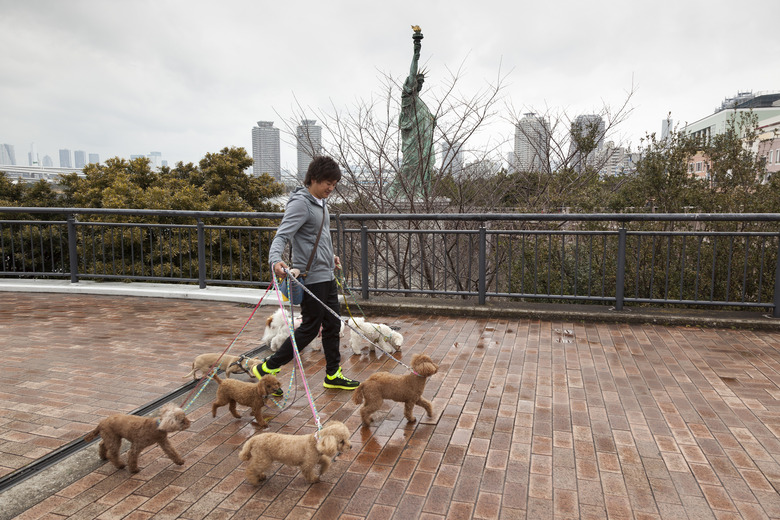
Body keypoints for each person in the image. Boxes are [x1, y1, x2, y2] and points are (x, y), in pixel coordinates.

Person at [253, 156, 359, 391]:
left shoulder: (321, 202)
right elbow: (283, 235)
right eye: (327, 183)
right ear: (313, 179)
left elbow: (319, 237)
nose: (331, 188)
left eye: (334, 184)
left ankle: (333, 374)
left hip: (327, 273)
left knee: (332, 324)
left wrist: (330, 256)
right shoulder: (300, 203)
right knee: (310, 327)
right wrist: (275, 260)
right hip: (311, 277)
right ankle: (268, 366)